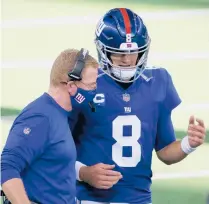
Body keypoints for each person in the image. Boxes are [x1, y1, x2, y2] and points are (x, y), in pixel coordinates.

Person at [69, 8, 206, 204]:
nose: (127, 60)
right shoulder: (84, 85)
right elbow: (53, 149)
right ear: (103, 51)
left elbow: (165, 151)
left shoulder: (158, 81)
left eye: (133, 52)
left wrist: (188, 144)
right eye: (119, 54)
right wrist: (83, 172)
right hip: (89, 199)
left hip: (139, 199)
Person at [1, 48, 98, 204]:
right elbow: (6, 167)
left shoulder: (61, 114)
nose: (95, 91)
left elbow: (54, 165)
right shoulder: (40, 118)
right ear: (72, 86)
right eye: (91, 86)